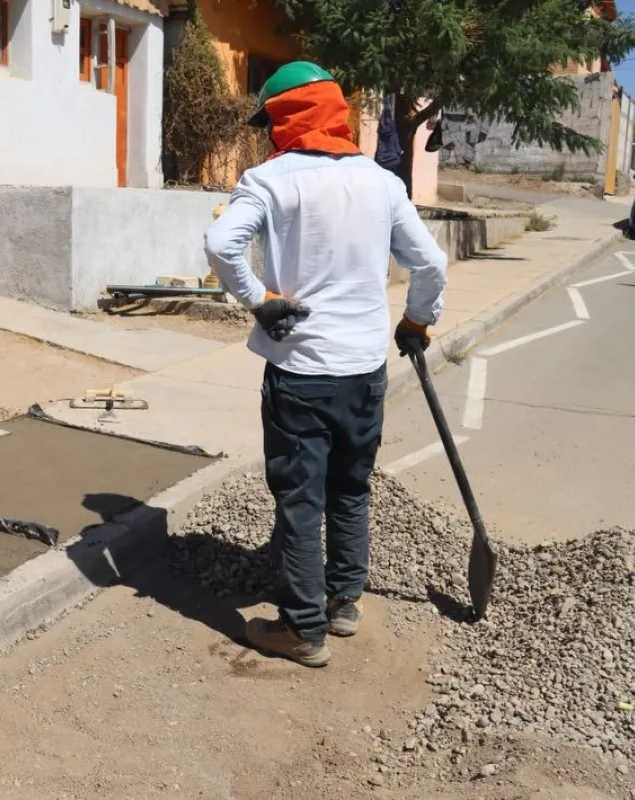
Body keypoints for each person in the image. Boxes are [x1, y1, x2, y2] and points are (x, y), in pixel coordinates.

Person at [203, 61, 448, 668]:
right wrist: (417, 321)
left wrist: (260, 300)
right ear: (336, 114)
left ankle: (302, 628)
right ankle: (343, 602)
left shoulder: (268, 180)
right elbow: (431, 265)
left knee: (300, 499)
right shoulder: (381, 183)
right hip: (364, 370)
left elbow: (220, 244)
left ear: (282, 121)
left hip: (301, 370)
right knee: (350, 487)